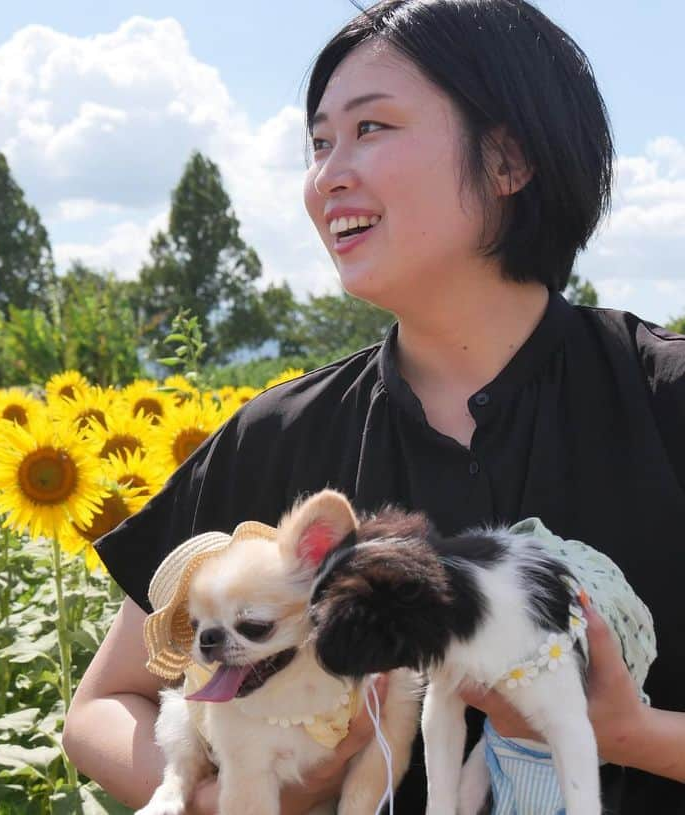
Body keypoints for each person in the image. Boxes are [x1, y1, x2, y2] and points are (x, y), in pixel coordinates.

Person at [62, 0, 685, 811]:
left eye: (370, 130)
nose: (328, 176)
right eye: (319, 144)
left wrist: (629, 732)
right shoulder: (276, 435)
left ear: (508, 159)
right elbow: (103, 708)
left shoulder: (662, 400)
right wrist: (252, 802)